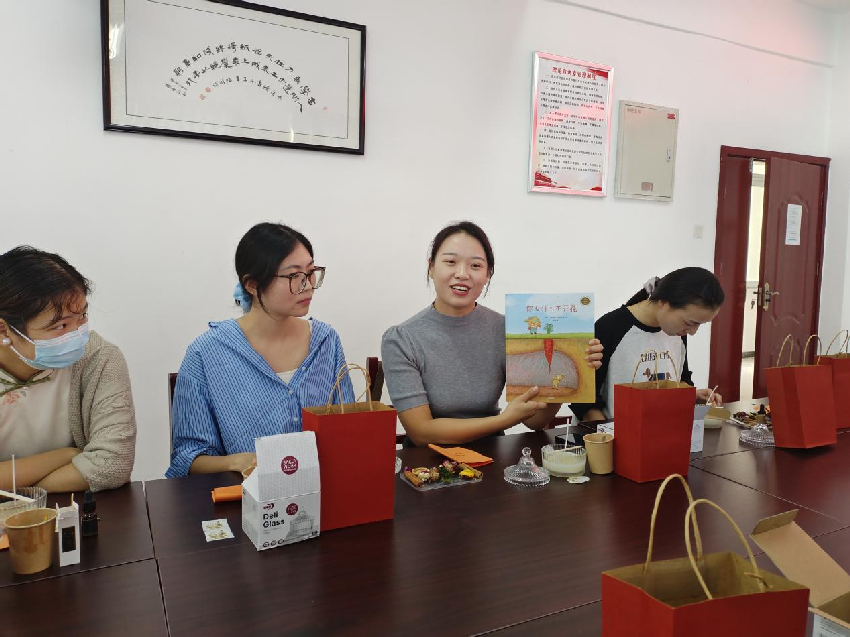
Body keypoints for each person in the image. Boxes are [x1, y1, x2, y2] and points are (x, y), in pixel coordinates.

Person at [381, 221, 603, 446]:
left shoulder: (504, 329)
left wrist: (568, 373)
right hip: (427, 460)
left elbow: (535, 421)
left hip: (492, 456)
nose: (462, 274)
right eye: (450, 262)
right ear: (431, 267)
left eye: (475, 265)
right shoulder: (401, 339)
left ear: (488, 274)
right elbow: (421, 432)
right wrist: (504, 420)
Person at [167, 223, 354, 477]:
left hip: (323, 492)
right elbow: (187, 458)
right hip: (247, 497)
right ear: (252, 285)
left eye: (311, 273)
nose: (308, 286)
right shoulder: (206, 354)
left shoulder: (325, 341)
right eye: (293, 276)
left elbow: (347, 429)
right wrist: (235, 462)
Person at [0, 246, 136, 492]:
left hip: (75, 509)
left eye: (82, 316)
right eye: (60, 326)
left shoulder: (99, 357)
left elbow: (112, 465)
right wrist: (66, 455)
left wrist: (10, 483)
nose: (76, 334)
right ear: (3, 329)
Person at [572, 267, 725, 423]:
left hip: (660, 431)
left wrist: (692, 396)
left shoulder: (677, 333)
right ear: (664, 302)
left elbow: (680, 379)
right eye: (690, 323)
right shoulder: (610, 328)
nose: (692, 332)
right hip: (612, 434)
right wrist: (609, 432)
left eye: (699, 325)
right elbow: (584, 402)